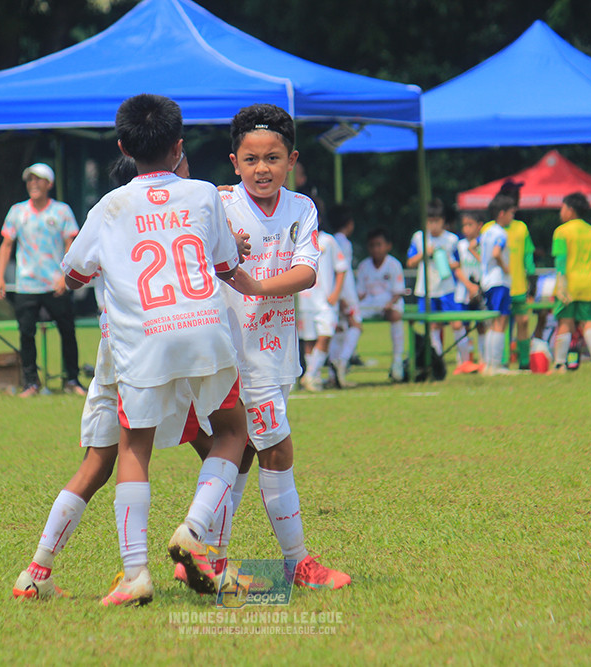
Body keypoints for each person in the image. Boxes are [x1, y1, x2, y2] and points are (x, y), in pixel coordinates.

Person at [61, 94, 248, 607]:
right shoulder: (204, 193)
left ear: (123, 147)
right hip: (205, 330)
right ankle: (193, 527)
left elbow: (73, 273)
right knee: (232, 433)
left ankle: (135, 574)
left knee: (133, 450)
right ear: (178, 146)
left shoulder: (109, 205)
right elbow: (225, 263)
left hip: (142, 340)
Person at [219, 103, 351, 590]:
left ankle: (205, 554)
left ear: (291, 160)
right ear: (234, 162)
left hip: (278, 354)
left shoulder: (302, 208)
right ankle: (298, 563)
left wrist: (256, 286)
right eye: (251, 159)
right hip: (238, 355)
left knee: (241, 453)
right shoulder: (219, 205)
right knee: (277, 450)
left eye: (272, 158)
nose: (262, 169)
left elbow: (307, 271)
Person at [0, 163, 86, 397]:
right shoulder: (17, 211)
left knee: (67, 331)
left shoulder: (61, 211)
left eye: (38, 179)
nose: (33, 184)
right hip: (26, 284)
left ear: (49, 184)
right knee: (26, 334)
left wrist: (66, 277)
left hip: (56, 283)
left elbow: (70, 244)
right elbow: (6, 245)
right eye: (30, 180)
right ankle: (30, 383)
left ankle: (72, 379)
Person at [482, 182, 536, 370]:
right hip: (500, 282)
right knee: (500, 322)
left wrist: (531, 277)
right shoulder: (491, 229)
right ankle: (499, 362)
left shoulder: (521, 227)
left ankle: (524, 362)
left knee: (523, 322)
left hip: (518, 284)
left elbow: (528, 254)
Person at [407, 199, 467, 368]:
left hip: (447, 288)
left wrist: (446, 262)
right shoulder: (419, 238)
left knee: (457, 323)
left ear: (443, 221)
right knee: (433, 326)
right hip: (426, 289)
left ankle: (464, 361)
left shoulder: (451, 239)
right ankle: (437, 362)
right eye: (430, 221)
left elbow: (458, 263)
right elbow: (410, 262)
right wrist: (425, 253)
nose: (433, 225)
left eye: (437, 221)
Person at [551, 193, 591, 372]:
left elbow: (560, 261)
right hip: (587, 283)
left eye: (563, 208)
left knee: (565, 322)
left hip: (569, 284)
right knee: (588, 321)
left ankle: (560, 364)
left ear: (570, 210)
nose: (561, 212)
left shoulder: (561, 231)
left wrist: (561, 284)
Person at [297, 210, 349, 392]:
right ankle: (314, 377)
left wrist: (336, 293)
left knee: (326, 335)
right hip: (305, 300)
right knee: (309, 340)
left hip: (325, 301)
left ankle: (310, 374)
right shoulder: (297, 240)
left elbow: (341, 268)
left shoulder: (328, 241)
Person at [357, 227, 407, 381]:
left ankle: (397, 363)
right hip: (370, 303)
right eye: (372, 245)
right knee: (350, 318)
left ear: (388, 246)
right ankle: (345, 359)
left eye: (379, 245)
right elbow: (360, 293)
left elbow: (398, 292)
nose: (375, 249)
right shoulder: (364, 266)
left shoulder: (394, 264)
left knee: (395, 316)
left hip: (390, 302)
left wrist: (389, 304)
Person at [479, 195, 513, 374]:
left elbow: (474, 247)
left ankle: (488, 363)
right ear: (502, 213)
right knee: (501, 320)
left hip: (487, 280)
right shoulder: (501, 233)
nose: (512, 217)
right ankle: (496, 364)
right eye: (511, 213)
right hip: (499, 280)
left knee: (493, 321)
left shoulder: (486, 231)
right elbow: (496, 252)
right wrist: (505, 268)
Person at [327, 204, 361, 388]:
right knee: (356, 325)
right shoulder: (344, 243)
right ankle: (342, 362)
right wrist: (344, 297)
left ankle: (333, 374)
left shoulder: (330, 239)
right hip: (345, 291)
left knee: (338, 329)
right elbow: (342, 270)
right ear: (350, 223)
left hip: (333, 290)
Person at [451, 210, 485, 371]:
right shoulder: (459, 245)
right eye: (464, 225)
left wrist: (474, 251)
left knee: (482, 325)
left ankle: (483, 360)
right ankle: (463, 361)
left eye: (470, 225)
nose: (466, 229)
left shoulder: (484, 243)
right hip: (463, 292)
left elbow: (486, 264)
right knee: (460, 325)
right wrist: (469, 286)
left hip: (481, 291)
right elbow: (457, 268)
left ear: (479, 226)